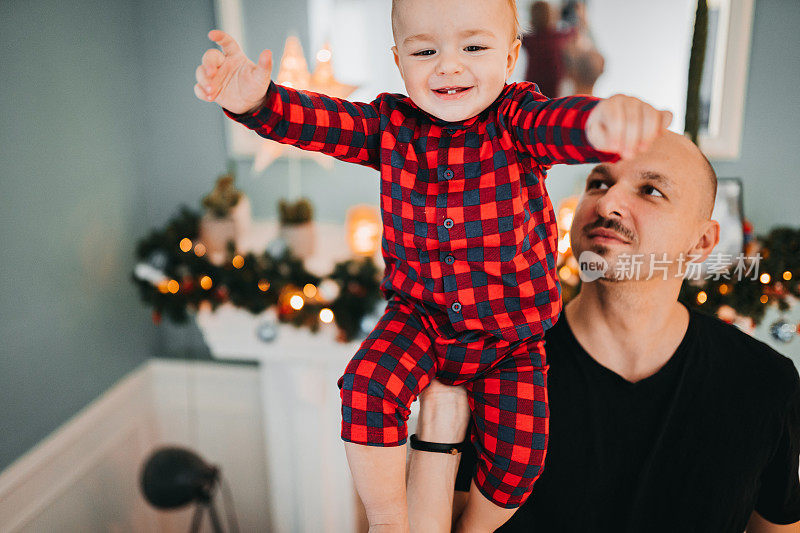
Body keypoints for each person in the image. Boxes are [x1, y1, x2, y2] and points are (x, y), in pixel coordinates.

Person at [193, 0, 672, 529]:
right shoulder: (389, 124)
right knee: (365, 388)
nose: (448, 65)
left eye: (473, 47)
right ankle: (387, 520)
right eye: (426, 51)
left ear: (510, 56)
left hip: (509, 334)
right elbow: (323, 123)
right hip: (419, 317)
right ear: (399, 61)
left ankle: (477, 530)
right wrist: (258, 101)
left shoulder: (517, 118)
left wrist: (601, 121)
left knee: (521, 452)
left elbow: (559, 125)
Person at [406, 131, 800, 532]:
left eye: (650, 190)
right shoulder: (493, 364)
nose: (607, 203)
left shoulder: (764, 382)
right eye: (599, 183)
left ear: (701, 242)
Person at [520, 2, 577, 97]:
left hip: (534, 81)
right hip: (554, 82)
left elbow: (515, 37)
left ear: (532, 18)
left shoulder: (529, 40)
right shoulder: (559, 37)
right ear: (552, 17)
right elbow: (574, 32)